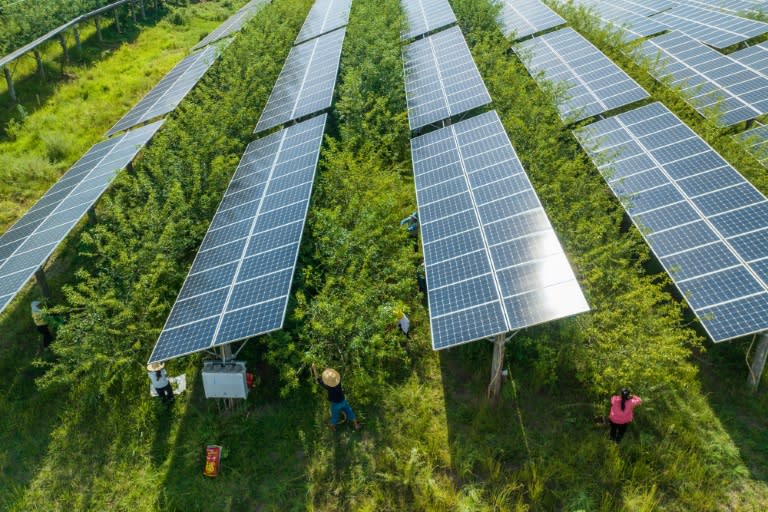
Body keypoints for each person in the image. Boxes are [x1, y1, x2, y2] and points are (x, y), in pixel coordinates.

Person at [311, 363, 361, 431]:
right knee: (349, 411)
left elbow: (318, 379)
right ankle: (356, 425)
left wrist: (314, 368)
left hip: (335, 404)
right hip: (343, 400)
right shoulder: (338, 381)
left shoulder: (328, 386)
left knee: (335, 416)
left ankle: (332, 426)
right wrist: (327, 370)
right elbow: (332, 375)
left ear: (327, 382)